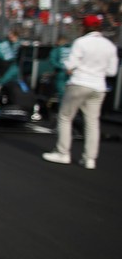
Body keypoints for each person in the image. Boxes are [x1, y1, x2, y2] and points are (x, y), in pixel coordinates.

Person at [42, 15, 119, 170]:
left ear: (84, 27)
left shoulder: (81, 42)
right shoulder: (109, 45)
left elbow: (70, 65)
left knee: (65, 117)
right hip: (99, 86)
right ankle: (90, 159)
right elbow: (112, 71)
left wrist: (69, 66)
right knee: (92, 122)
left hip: (79, 83)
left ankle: (63, 153)